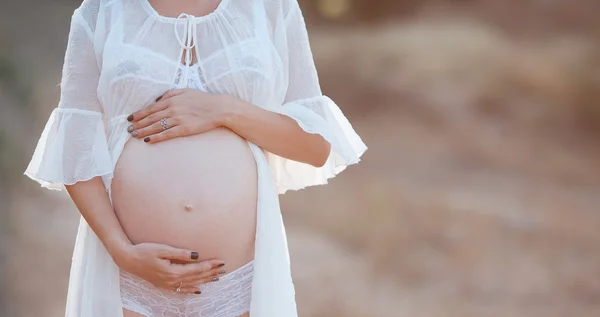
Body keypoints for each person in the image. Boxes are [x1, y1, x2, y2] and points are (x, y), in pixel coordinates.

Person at [24, 0, 367, 316]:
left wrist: (225, 110)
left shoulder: (271, 7)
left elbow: (316, 147)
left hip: (238, 285)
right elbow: (76, 147)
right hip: (129, 278)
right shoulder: (102, 11)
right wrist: (122, 252)